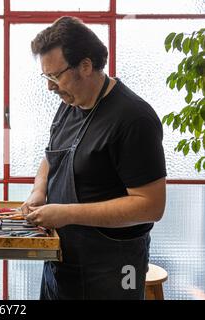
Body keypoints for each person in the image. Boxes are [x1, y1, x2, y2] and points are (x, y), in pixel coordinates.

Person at [22, 16, 167, 300]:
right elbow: (52, 156)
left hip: (113, 269)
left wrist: (65, 213)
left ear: (85, 66)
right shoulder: (70, 103)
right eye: (46, 77)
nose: (50, 87)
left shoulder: (134, 118)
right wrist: (39, 191)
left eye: (55, 76)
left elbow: (151, 206)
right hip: (62, 264)